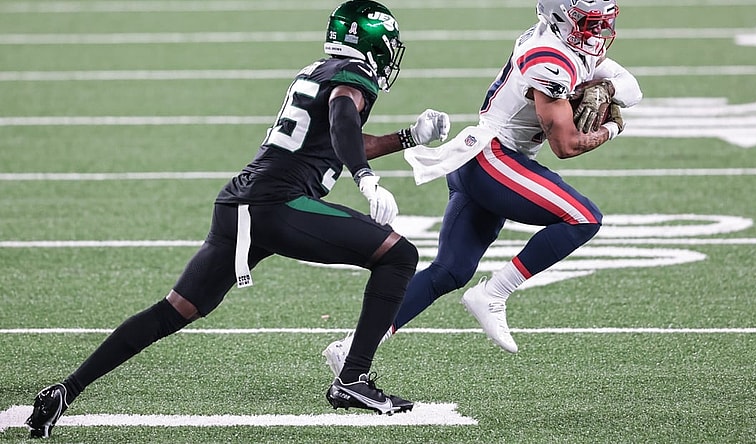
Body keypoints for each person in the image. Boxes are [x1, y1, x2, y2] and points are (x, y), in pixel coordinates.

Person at [24, 0, 451, 438]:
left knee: (174, 310)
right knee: (399, 255)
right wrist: (364, 177)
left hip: (240, 203)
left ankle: (64, 390)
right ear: (373, 43)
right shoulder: (351, 77)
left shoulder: (318, 71)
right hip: (277, 204)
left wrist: (409, 137)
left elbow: (339, 138)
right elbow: (343, 121)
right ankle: (352, 378)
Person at [322, 0, 642, 374]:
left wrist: (606, 87)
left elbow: (632, 88)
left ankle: (351, 348)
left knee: (450, 271)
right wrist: (613, 127)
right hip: (493, 159)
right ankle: (495, 292)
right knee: (583, 218)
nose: (597, 33)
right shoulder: (548, 57)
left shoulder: (567, 45)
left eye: (599, 23)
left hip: (481, 159)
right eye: (588, 23)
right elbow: (566, 145)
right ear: (561, 19)